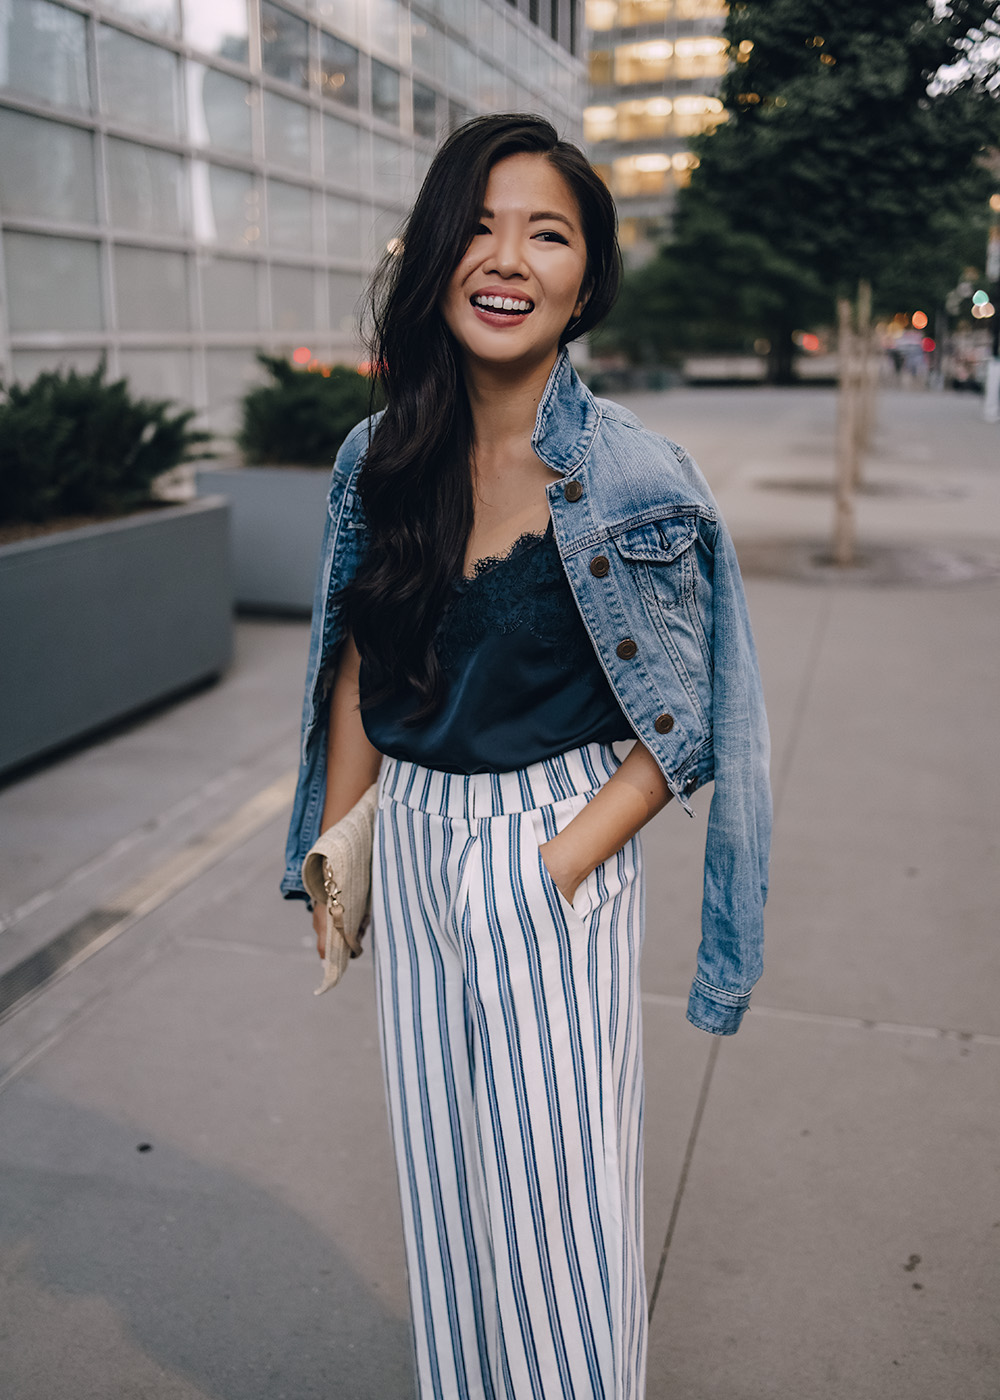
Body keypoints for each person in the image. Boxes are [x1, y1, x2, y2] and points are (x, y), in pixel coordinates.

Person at [282, 113, 771, 1400]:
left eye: (546, 233)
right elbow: (355, 663)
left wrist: (548, 866)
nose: (508, 258)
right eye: (482, 226)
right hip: (418, 835)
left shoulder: (634, 479)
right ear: (439, 252)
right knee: (444, 1212)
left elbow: (687, 720)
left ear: (585, 277)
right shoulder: (381, 454)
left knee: (560, 1232)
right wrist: (338, 864)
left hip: (552, 846)